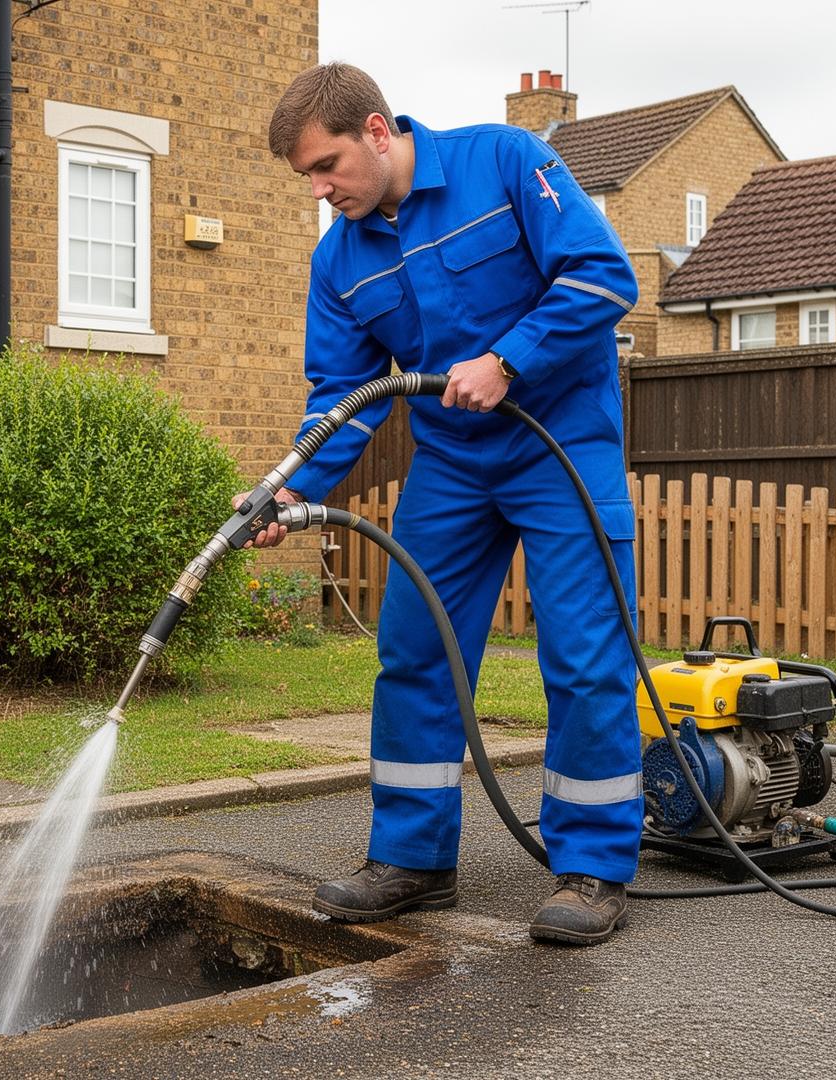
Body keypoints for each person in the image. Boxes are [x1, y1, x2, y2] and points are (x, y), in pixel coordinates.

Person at [245, 62, 642, 945]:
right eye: (307, 177)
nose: (320, 191)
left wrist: (508, 360)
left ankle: (594, 868)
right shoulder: (339, 257)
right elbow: (341, 396)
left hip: (561, 445)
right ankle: (414, 859)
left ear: (378, 132)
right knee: (415, 652)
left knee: (583, 654)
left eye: (328, 166)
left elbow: (605, 276)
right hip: (453, 465)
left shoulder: (504, 164)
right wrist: (288, 488)